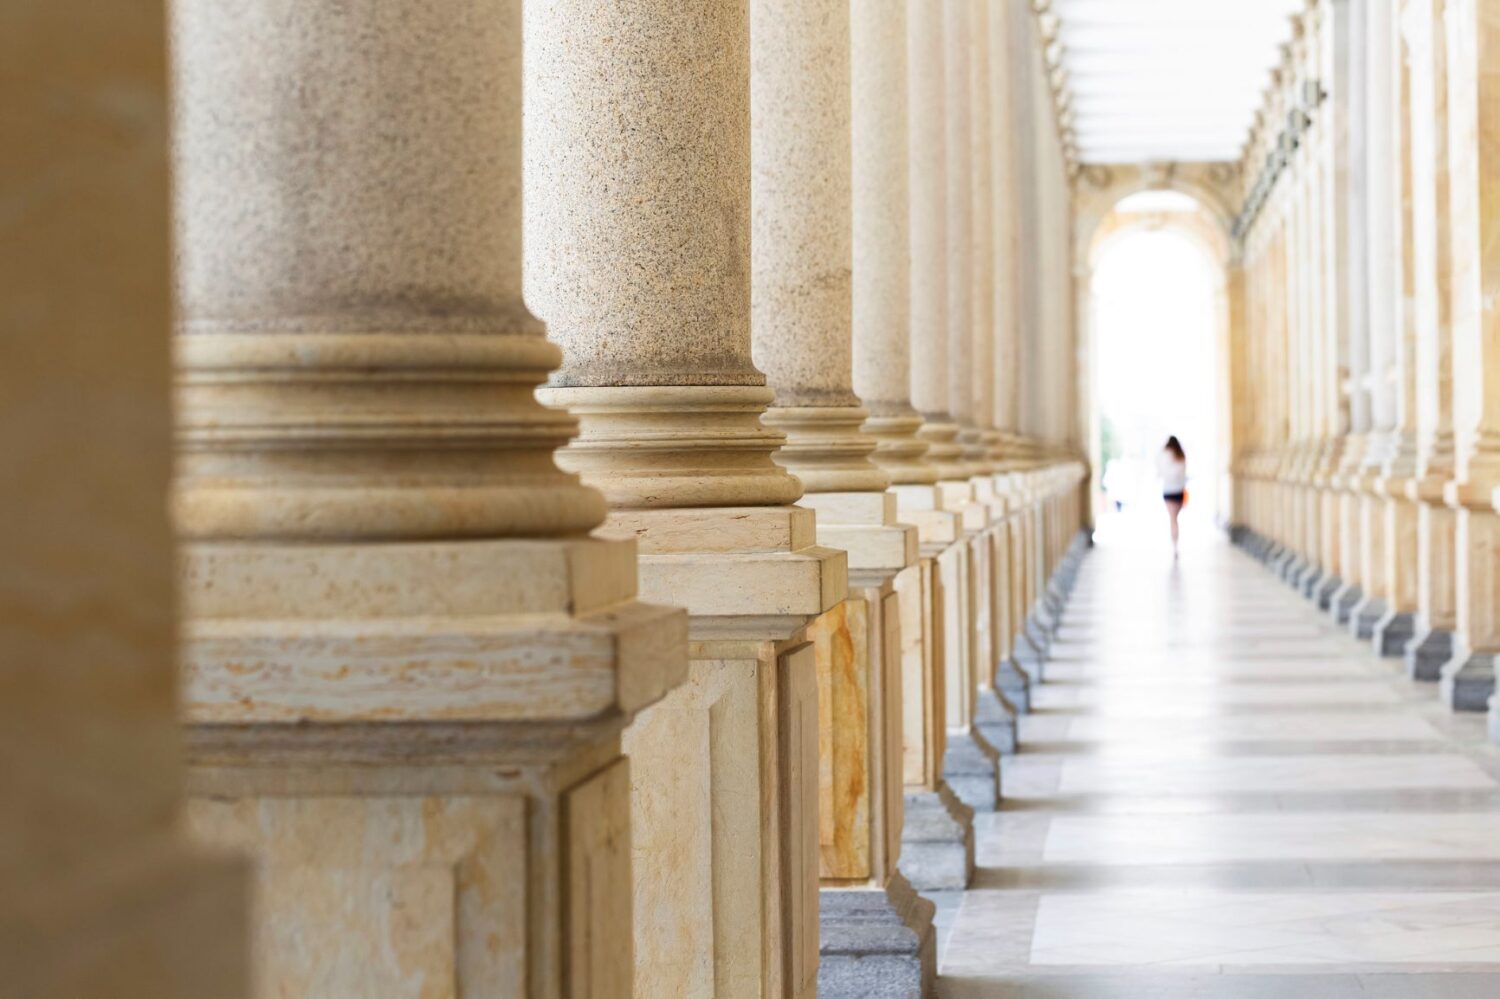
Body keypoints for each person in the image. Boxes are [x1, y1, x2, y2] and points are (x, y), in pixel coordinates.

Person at [1158, 436, 1187, 557]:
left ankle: (1175, 546)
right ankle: (1175, 545)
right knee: (1175, 519)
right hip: (1179, 491)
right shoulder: (1181, 455)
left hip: (1169, 490)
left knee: (1172, 519)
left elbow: (1161, 471)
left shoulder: (1165, 454)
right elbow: (1184, 473)